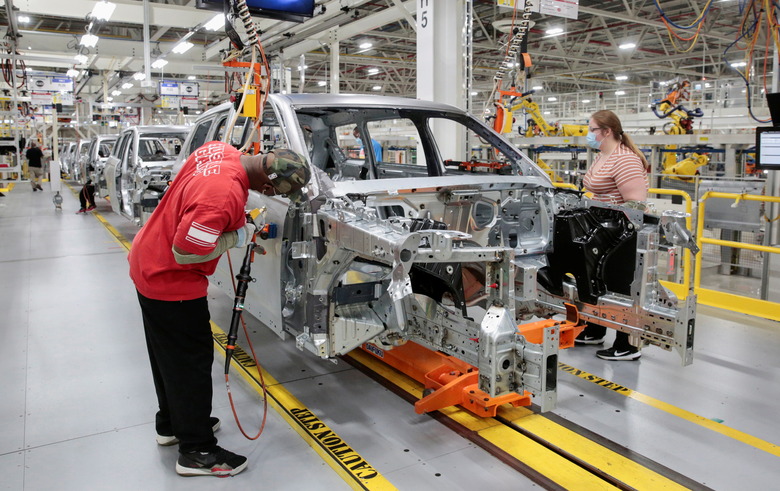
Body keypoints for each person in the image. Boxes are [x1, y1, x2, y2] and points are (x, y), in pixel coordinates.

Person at [128, 140, 311, 477]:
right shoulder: (223, 194)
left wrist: (231, 221)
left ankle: (172, 424)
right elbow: (186, 251)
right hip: (170, 277)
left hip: (147, 259)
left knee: (167, 355)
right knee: (191, 363)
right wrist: (238, 236)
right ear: (268, 186)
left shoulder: (219, 150)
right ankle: (196, 449)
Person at [575, 109, 649, 361]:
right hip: (601, 230)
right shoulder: (602, 156)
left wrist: (618, 232)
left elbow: (636, 204)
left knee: (620, 288)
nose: (588, 134)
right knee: (598, 282)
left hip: (621, 235)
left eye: (592, 129)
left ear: (606, 131)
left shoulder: (625, 159)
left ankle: (627, 344)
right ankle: (595, 328)